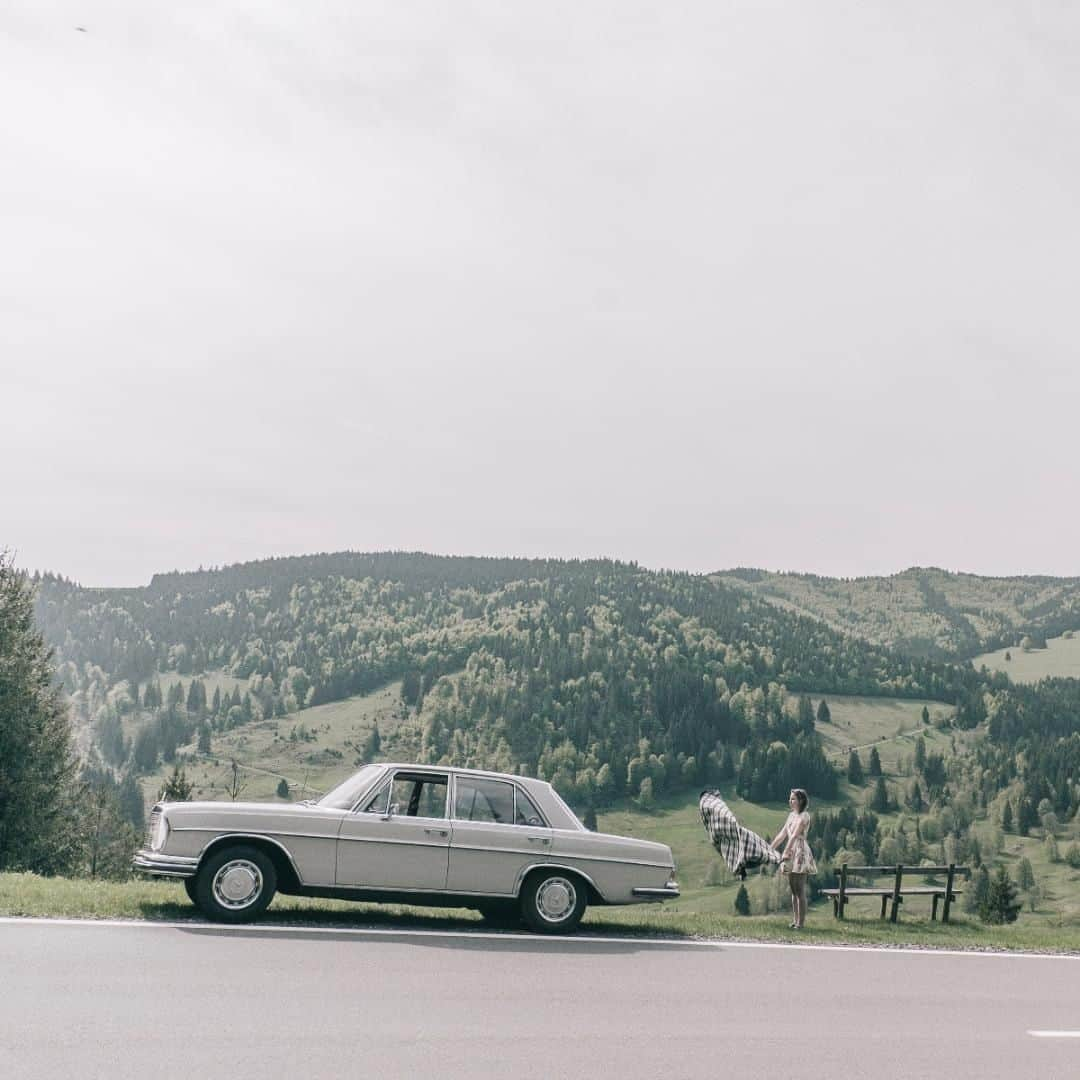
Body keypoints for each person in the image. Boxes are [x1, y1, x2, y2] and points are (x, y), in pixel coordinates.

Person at [771, 788, 817, 929]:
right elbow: (782, 834)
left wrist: (786, 851)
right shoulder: (791, 816)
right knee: (793, 889)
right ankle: (795, 920)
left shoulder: (805, 816)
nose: (790, 801)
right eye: (790, 799)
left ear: (801, 800)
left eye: (793, 799)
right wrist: (770, 848)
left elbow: (795, 835)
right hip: (790, 851)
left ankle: (801, 923)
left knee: (800, 889)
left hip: (800, 852)